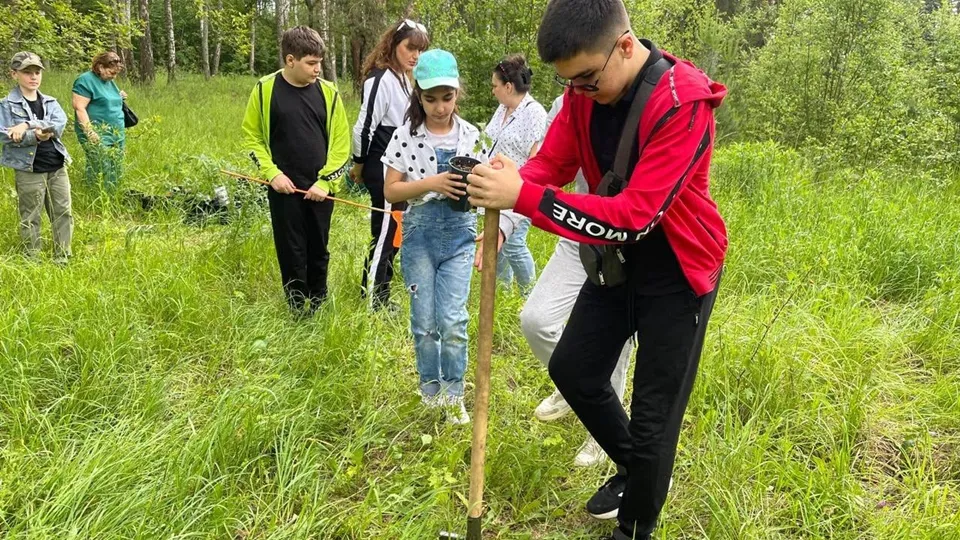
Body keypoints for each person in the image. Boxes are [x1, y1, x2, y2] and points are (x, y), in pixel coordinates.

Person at [467, 1, 728, 538]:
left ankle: (634, 524)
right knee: (575, 371)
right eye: (569, 84)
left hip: (679, 272)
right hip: (615, 264)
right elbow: (554, 164)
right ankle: (640, 470)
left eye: (586, 79)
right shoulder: (580, 95)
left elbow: (635, 216)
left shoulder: (683, 103)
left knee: (655, 417)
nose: (577, 92)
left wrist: (526, 198)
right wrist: (510, 180)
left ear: (625, 46)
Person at [515, 94, 633, 467]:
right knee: (536, 320)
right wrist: (504, 218)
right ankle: (576, 386)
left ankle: (603, 430)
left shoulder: (647, 100)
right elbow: (547, 164)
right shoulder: (568, 102)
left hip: (628, 241)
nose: (581, 83)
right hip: (578, 234)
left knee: (615, 345)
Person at [382, 49, 488, 425]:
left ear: (458, 94)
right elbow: (391, 191)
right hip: (419, 236)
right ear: (418, 95)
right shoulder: (406, 136)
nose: (440, 107)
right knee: (425, 321)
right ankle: (430, 390)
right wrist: (432, 184)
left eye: (447, 97)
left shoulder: (473, 136)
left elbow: (488, 186)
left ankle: (454, 393)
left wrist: (490, 225)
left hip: (460, 235)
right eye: (430, 99)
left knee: (453, 321)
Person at [242, 26, 351, 316]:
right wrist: (272, 174)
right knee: (290, 247)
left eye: (320, 63)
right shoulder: (265, 89)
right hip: (283, 187)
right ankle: (295, 305)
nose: (318, 69)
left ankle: (318, 301)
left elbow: (342, 143)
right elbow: (252, 137)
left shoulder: (329, 93)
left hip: (319, 188)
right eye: (311, 63)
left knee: (319, 246)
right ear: (290, 60)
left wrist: (325, 182)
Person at [351, 18, 429, 311]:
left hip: (400, 167)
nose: (415, 56)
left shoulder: (403, 78)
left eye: (420, 51)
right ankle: (373, 298)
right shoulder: (380, 78)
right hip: (380, 165)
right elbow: (364, 127)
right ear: (394, 44)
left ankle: (379, 288)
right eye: (410, 48)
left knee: (395, 229)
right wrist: (358, 166)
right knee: (384, 231)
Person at [0, 52, 73, 263]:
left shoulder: (50, 101)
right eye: (27, 72)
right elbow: (5, 134)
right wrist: (36, 135)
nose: (33, 77)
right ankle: (32, 259)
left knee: (63, 212)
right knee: (31, 215)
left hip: (57, 164)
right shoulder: (6, 105)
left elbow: (58, 124)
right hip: (29, 169)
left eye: (37, 72)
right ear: (14, 74)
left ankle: (63, 257)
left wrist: (26, 125)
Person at [483, 54, 545, 293]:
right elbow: (488, 141)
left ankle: (529, 294)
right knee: (496, 245)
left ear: (508, 87)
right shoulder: (502, 109)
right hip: (495, 190)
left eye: (494, 86)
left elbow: (536, 158)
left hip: (519, 190)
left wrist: (525, 189)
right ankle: (504, 294)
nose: (493, 91)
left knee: (513, 246)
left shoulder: (535, 113)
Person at [72, 51, 127, 191]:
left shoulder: (109, 81)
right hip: (97, 131)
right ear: (100, 67)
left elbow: (106, 98)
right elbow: (79, 107)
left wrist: (119, 96)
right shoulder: (85, 81)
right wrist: (89, 132)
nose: (113, 76)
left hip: (116, 131)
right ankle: (95, 194)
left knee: (116, 164)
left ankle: (114, 193)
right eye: (111, 72)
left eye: (116, 74)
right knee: (101, 164)